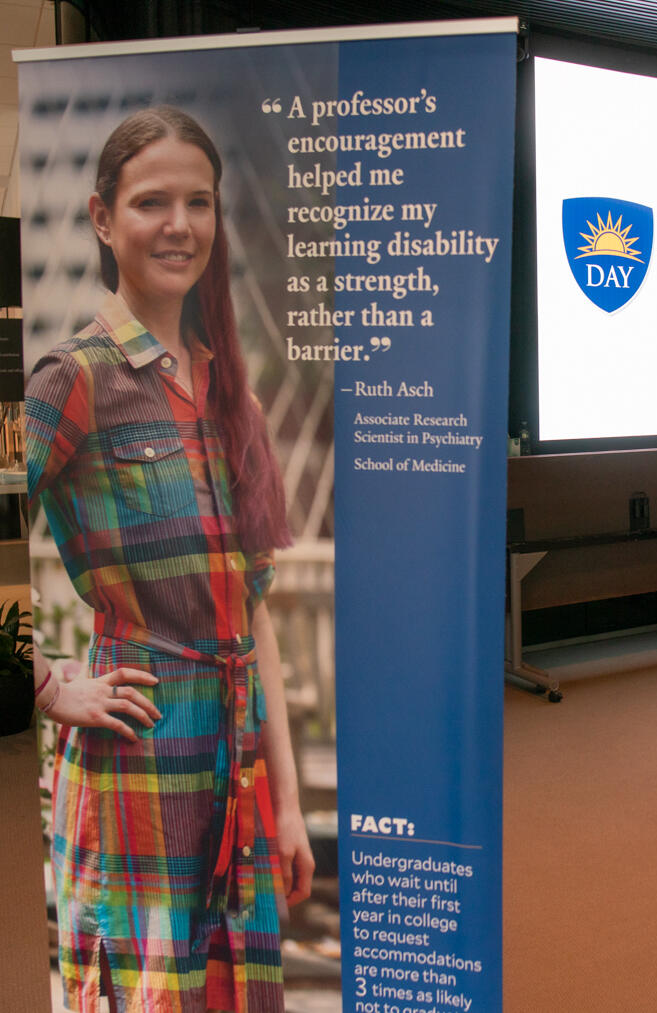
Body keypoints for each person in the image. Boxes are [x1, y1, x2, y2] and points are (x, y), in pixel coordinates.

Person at [26, 106, 314, 1013]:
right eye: (152, 202)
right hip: (136, 763)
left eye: (201, 202)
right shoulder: (71, 380)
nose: (180, 225)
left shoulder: (234, 393)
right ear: (104, 218)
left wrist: (290, 803)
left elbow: (253, 608)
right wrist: (44, 678)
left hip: (235, 766)